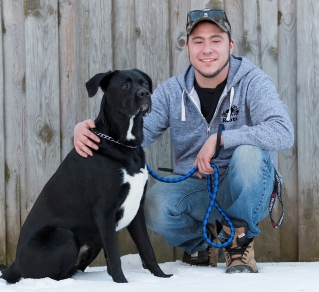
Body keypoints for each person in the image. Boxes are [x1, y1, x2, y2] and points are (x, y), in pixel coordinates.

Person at [73, 8, 294, 273]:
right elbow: (135, 135)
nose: (207, 49)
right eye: (198, 41)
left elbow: (283, 131)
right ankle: (202, 244)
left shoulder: (253, 82)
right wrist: (89, 131)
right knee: (153, 205)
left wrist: (221, 138)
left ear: (230, 45)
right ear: (187, 46)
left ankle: (239, 243)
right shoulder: (171, 91)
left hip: (247, 188)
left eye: (216, 40)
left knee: (248, 153)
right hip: (198, 190)